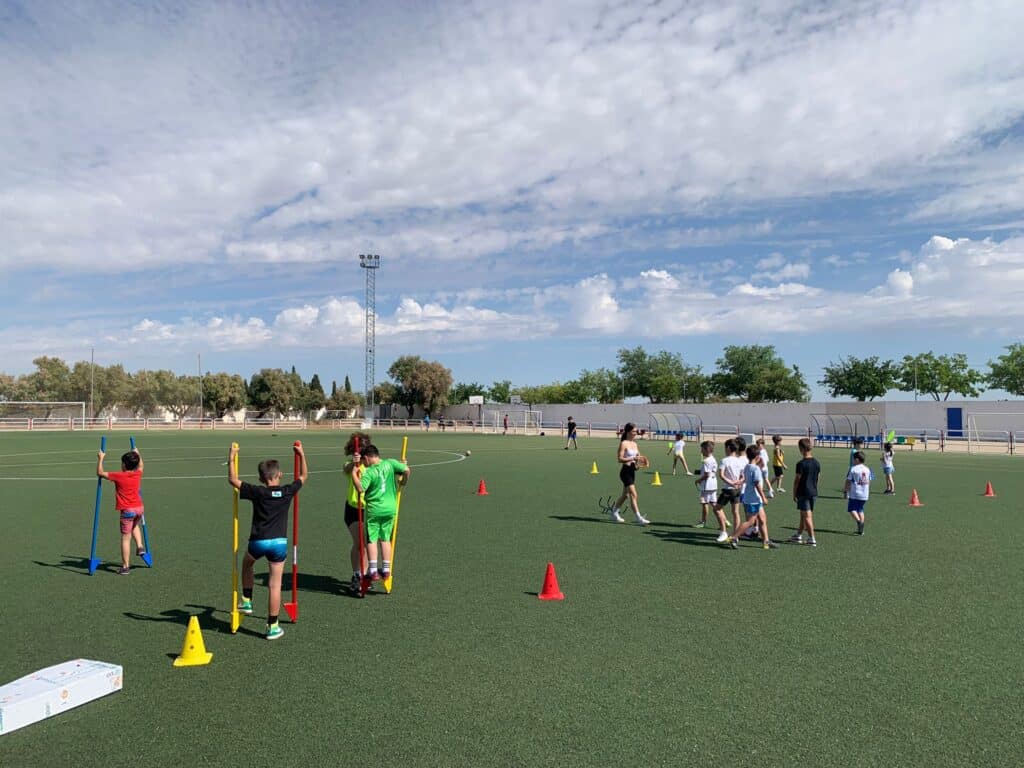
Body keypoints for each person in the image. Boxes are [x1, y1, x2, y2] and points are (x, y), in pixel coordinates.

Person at [229, 442, 307, 640]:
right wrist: (301, 454)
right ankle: (272, 626)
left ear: (261, 479)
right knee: (275, 585)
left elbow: (233, 480)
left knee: (247, 564)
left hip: (259, 541)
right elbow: (303, 476)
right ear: (279, 474)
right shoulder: (287, 491)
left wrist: (232, 457)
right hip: (279, 544)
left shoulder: (258, 492)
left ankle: (247, 599)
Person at [353, 444, 411, 583]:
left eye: (364, 461)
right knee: (385, 538)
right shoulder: (390, 463)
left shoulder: (369, 472)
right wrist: (403, 482)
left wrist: (354, 474)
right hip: (390, 508)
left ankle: (373, 570)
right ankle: (386, 569)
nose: (364, 464)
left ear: (367, 458)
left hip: (375, 509)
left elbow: (360, 488)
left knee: (372, 539)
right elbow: (407, 470)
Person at [96, 447, 146, 575]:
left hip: (128, 510)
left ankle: (125, 567)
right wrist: (137, 453)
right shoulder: (138, 473)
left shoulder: (119, 476)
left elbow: (100, 473)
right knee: (135, 525)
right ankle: (140, 546)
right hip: (139, 508)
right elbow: (141, 465)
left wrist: (101, 458)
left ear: (124, 464)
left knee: (125, 538)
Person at [728, 445, 777, 549]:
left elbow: (746, 479)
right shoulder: (756, 469)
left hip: (751, 498)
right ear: (757, 457)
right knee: (750, 522)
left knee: (762, 519)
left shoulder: (747, 466)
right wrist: (764, 497)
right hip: (754, 499)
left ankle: (766, 541)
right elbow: (757, 484)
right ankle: (734, 537)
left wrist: (740, 482)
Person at [342, 431, 373, 593]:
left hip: (369, 509)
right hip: (353, 509)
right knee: (359, 543)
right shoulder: (351, 465)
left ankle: (365, 574)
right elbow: (347, 469)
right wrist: (355, 463)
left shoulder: (372, 465)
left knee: (367, 544)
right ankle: (356, 574)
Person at [607, 422, 650, 525]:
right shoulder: (624, 443)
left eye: (636, 431)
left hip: (632, 471)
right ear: (628, 432)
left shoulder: (635, 444)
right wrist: (633, 458)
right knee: (634, 494)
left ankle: (614, 513)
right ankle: (639, 518)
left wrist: (641, 463)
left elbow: (638, 458)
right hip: (625, 472)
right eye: (634, 431)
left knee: (625, 496)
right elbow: (620, 459)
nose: (636, 433)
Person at [788, 437, 820, 547]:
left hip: (803, 492)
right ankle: (798, 535)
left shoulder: (801, 464)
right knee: (803, 514)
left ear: (801, 449)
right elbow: (818, 478)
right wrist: (814, 488)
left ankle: (812, 538)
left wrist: (794, 493)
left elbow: (797, 480)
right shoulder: (816, 463)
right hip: (813, 492)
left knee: (807, 516)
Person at [713, 438, 745, 540]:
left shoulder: (724, 460)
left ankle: (723, 532)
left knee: (716, 509)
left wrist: (731, 482)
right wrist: (739, 482)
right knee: (736, 512)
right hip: (737, 489)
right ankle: (735, 535)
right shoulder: (740, 461)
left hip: (728, 490)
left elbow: (721, 475)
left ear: (728, 448)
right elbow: (743, 476)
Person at [844, 450, 872, 536]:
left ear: (857, 460)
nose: (852, 461)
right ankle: (861, 530)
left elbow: (848, 481)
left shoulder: (853, 469)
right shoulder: (867, 469)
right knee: (860, 510)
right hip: (865, 494)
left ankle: (859, 522)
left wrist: (845, 491)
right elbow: (869, 481)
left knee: (851, 509)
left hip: (855, 493)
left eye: (853, 459)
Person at [694, 440, 719, 530]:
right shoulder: (713, 459)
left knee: (704, 503)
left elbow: (706, 474)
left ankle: (703, 522)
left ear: (707, 449)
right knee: (714, 503)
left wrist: (698, 480)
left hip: (707, 485)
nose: (701, 451)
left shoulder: (706, 461)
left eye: (702, 449)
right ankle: (724, 520)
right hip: (713, 484)